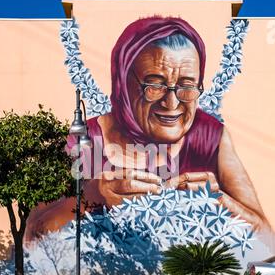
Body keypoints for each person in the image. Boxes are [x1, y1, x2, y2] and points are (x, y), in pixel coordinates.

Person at [25, 16, 270, 241]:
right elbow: (32, 235)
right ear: (123, 83)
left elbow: (266, 237)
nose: (172, 104)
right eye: (155, 86)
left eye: (187, 86)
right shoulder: (86, 138)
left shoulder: (210, 137)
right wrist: (95, 196)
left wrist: (218, 202)